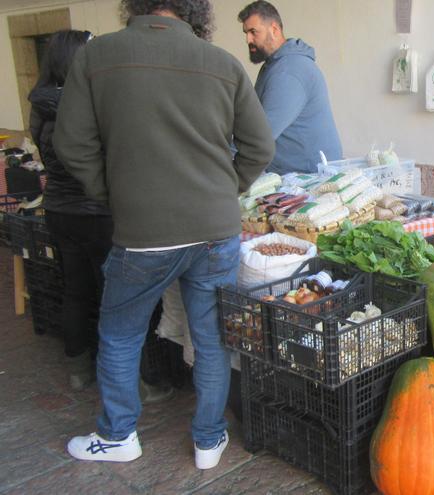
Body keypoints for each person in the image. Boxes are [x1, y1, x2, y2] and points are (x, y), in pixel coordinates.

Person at [53, 0, 274, 469]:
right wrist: (225, 187)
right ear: (195, 11)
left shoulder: (96, 57)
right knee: (211, 338)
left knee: (119, 334)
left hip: (143, 231)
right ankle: (209, 441)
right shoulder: (223, 63)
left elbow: (71, 142)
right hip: (216, 230)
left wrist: (112, 193)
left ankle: (118, 436)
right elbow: (260, 146)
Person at [27, 29, 108, 391]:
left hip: (58, 208)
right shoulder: (87, 104)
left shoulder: (40, 103)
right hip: (95, 212)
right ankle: (123, 378)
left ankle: (78, 368)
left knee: (75, 289)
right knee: (112, 295)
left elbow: (47, 157)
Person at [238, 0, 342, 174]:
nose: (248, 39)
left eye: (253, 32)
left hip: (310, 179)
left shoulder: (290, 71)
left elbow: (261, 135)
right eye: (246, 33)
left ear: (274, 30)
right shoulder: (274, 65)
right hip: (293, 173)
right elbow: (253, 118)